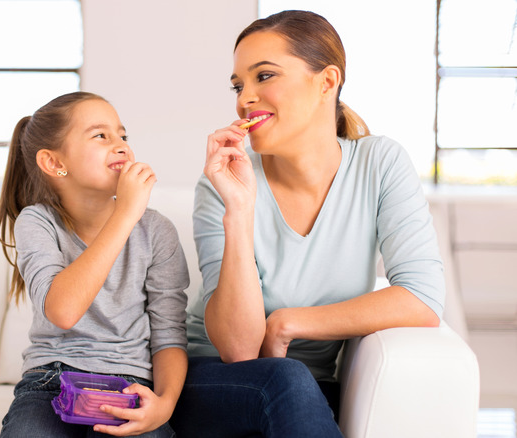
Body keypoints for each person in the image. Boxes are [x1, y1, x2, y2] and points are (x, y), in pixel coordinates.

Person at [170, 10, 445, 437]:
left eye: (264, 77)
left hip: (307, 392)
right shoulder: (224, 183)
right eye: (239, 85)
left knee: (294, 382)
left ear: (326, 81)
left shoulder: (380, 163)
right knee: (286, 379)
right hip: (212, 379)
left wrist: (288, 322)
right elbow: (240, 350)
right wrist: (240, 210)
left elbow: (421, 298)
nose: (245, 98)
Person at [0, 91, 190, 437]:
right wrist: (126, 213)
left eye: (123, 135)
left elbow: (168, 335)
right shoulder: (37, 222)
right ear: (55, 163)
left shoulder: (156, 231)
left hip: (129, 386)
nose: (121, 145)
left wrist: (166, 404)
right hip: (49, 382)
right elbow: (63, 311)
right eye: (101, 135)